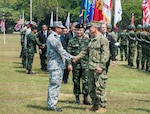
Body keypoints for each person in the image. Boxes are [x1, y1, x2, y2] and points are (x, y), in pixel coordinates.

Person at [73, 21, 110, 113]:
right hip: (91, 67)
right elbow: (85, 51)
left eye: (90, 27)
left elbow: (106, 54)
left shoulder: (102, 39)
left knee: (100, 87)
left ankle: (103, 106)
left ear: (95, 27)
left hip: (98, 68)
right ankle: (95, 104)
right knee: (91, 88)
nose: (89, 29)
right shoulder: (91, 40)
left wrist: (101, 66)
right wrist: (77, 57)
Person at [46, 21, 73, 112]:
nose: (62, 29)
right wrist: (72, 57)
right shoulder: (53, 38)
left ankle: (52, 104)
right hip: (55, 65)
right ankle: (52, 105)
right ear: (56, 28)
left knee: (56, 85)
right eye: (61, 28)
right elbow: (60, 50)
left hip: (57, 64)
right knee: (54, 85)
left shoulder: (56, 37)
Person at [67, 24, 91, 105]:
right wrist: (69, 64)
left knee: (86, 82)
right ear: (74, 30)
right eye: (77, 30)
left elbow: (90, 53)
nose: (79, 32)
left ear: (83, 31)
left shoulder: (88, 41)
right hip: (76, 65)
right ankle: (77, 98)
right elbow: (68, 54)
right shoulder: (71, 41)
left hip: (85, 65)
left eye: (80, 30)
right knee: (76, 81)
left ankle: (85, 98)